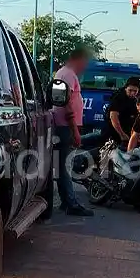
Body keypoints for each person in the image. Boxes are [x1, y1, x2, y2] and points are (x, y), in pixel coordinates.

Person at [52, 48, 94, 217]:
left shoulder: (63, 73)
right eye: (85, 61)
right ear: (78, 59)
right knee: (65, 166)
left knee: (62, 165)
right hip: (66, 126)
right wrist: (75, 130)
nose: (85, 66)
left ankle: (66, 201)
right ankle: (71, 204)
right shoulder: (67, 74)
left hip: (64, 126)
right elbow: (66, 103)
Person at [102, 76, 140, 145]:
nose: (132, 93)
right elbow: (113, 117)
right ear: (126, 88)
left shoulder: (136, 99)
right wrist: (122, 134)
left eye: (135, 91)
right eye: (130, 90)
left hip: (127, 132)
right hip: (113, 133)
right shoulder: (118, 97)